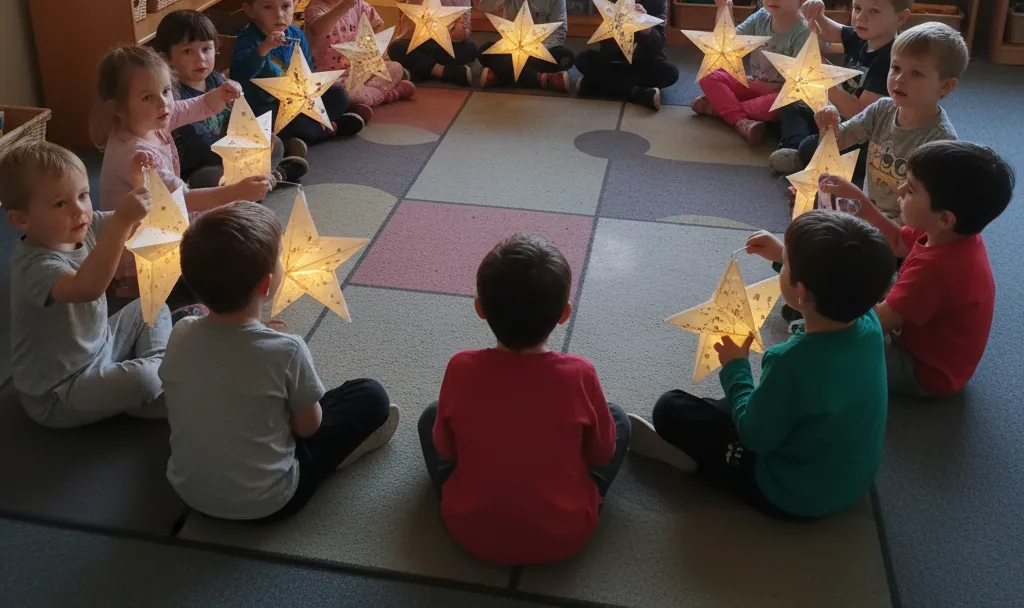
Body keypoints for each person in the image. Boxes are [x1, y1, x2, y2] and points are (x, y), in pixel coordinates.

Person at [629, 211, 895, 519]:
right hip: (853, 477)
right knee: (748, 405)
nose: (784, 262)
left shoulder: (791, 362)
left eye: (788, 262)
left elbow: (755, 436)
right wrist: (784, 256)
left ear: (802, 290)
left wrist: (736, 367)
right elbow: (835, 281)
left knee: (671, 408)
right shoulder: (869, 320)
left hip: (790, 493)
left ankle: (687, 459)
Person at [159, 201, 399, 521]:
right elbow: (308, 427)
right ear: (265, 284)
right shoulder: (287, 350)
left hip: (187, 490)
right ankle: (343, 455)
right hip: (271, 502)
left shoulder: (181, 332)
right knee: (371, 395)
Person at [418, 232, 629, 564]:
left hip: (468, 530)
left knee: (432, 416)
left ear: (480, 309)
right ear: (564, 313)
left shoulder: (460, 367)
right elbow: (601, 453)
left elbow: (445, 449)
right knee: (617, 419)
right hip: (566, 534)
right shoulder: (580, 373)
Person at [821, 140, 1014, 397]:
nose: (899, 191)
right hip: (916, 326)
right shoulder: (947, 233)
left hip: (924, 370)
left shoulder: (938, 270)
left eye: (910, 190)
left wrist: (822, 321)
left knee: (831, 357)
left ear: (945, 217)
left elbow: (878, 324)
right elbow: (898, 241)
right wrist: (861, 202)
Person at [2, 140, 173, 427]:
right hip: (60, 390)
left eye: (83, 195)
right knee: (144, 381)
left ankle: (159, 377)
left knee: (153, 305)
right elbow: (87, 288)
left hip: (101, 343)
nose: (79, 210)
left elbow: (137, 224)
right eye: (60, 203)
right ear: (21, 220)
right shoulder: (33, 267)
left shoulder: (85, 225)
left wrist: (139, 185)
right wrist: (121, 223)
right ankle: (163, 380)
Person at [94, 45, 275, 296]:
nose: (163, 103)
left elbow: (193, 106)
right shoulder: (135, 155)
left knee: (222, 206)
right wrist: (237, 192)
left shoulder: (151, 118)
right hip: (144, 249)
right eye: (148, 97)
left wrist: (220, 94)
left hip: (168, 214)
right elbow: (183, 199)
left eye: (166, 91)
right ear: (118, 108)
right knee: (222, 238)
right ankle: (146, 284)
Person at [770, 0, 915, 176]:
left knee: (814, 146)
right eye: (857, 8)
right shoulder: (863, 35)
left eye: (873, 11)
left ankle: (804, 153)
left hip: (860, 132)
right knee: (793, 106)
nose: (860, 17)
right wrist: (816, 12)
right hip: (837, 114)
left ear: (900, 17)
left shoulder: (890, 60)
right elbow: (830, 31)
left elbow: (859, 113)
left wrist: (824, 82)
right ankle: (794, 149)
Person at [815, 21, 966, 219]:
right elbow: (841, 141)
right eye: (895, 67)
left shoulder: (940, 142)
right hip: (869, 208)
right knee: (815, 210)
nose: (899, 79)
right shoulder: (883, 109)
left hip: (905, 224)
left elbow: (930, 208)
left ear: (945, 87)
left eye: (916, 73)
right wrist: (829, 125)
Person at [153, 9, 308, 187]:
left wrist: (238, 96)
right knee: (208, 179)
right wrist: (236, 150)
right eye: (188, 51)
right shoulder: (173, 95)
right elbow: (200, 144)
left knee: (274, 142)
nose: (200, 58)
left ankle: (267, 178)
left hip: (234, 152)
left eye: (206, 49)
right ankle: (268, 179)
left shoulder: (216, 79)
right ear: (167, 59)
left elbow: (239, 117)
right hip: (204, 163)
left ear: (215, 49)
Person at [691, 0, 816, 145]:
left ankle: (720, 109)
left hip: (781, 94)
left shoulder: (803, 31)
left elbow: (801, 83)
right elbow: (728, 42)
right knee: (709, 74)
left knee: (780, 106)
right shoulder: (761, 17)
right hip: (754, 84)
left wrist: (771, 88)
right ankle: (739, 119)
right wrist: (725, 11)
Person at [231, 0, 366, 141]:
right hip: (267, 106)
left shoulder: (296, 34)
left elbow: (307, 71)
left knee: (339, 95)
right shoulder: (248, 39)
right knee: (283, 126)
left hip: (300, 99)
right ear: (250, 10)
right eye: (268, 8)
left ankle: (322, 124)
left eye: (285, 6)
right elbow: (238, 75)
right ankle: (327, 127)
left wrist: (312, 96)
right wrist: (263, 49)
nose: (279, 15)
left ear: (294, 4)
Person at [302, 0, 414, 122]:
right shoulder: (315, 9)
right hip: (331, 78)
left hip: (360, 70)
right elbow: (320, 30)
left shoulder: (357, 4)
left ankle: (368, 98)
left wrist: (380, 54)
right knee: (341, 95)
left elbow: (376, 26)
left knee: (395, 67)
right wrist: (341, 8)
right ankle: (389, 94)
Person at [574, 0, 678, 110]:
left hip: (642, 64)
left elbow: (658, 43)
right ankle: (636, 93)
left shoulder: (658, 1)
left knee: (670, 72)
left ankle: (598, 85)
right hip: (611, 61)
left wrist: (645, 26)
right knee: (583, 58)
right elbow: (597, 1)